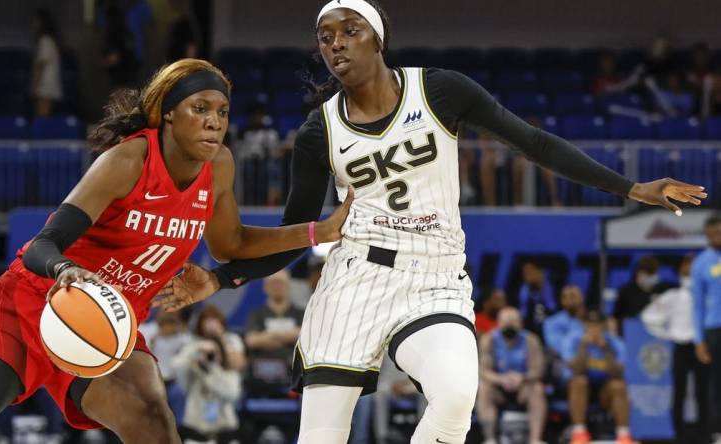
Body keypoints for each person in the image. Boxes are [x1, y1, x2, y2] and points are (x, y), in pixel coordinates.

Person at [154, 2, 707, 442]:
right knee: (321, 437)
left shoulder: (440, 90)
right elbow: (301, 234)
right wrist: (221, 279)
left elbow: (534, 143)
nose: (336, 44)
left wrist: (631, 187)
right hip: (355, 280)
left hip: (435, 278)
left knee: (456, 397)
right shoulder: (317, 131)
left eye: (348, 31)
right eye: (325, 37)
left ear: (378, 38)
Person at [0, 58, 352, 443]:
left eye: (222, 112)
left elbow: (233, 246)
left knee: (153, 418)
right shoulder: (129, 160)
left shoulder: (219, 165)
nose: (214, 122)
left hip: (104, 323)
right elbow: (42, 245)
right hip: (31, 306)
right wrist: (64, 269)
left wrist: (320, 231)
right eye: (200, 108)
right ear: (168, 112)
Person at [642, 255, 710, 444]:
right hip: (681, 346)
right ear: (681, 268)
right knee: (678, 392)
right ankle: (679, 435)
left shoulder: (709, 294)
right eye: (687, 265)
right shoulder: (672, 296)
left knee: (703, 392)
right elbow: (648, 317)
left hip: (702, 346)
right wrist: (668, 335)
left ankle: (705, 435)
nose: (690, 268)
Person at [173, 307, 243, 443]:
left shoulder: (229, 365)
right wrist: (196, 355)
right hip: (195, 428)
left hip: (225, 431)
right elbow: (178, 367)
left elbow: (232, 393)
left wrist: (210, 371)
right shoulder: (194, 346)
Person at [477, 307, 546, 444]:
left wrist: (522, 377)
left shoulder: (530, 340)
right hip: (498, 387)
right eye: (505, 322)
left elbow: (538, 370)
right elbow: (483, 371)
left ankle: (535, 439)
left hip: (523, 387)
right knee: (484, 388)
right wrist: (501, 379)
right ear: (498, 323)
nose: (509, 325)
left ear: (520, 323)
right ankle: (489, 439)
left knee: (537, 389)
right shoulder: (489, 340)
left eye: (513, 322)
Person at [562, 309, 632, 444]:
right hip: (579, 390)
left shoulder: (613, 342)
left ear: (603, 325)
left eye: (597, 324)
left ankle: (624, 435)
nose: (593, 327)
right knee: (579, 381)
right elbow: (576, 369)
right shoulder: (572, 339)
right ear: (584, 324)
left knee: (619, 385)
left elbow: (618, 373)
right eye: (590, 323)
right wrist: (583, 346)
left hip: (604, 391)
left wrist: (605, 348)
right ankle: (579, 433)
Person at [244, 269, 304, 397]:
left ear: (289, 286)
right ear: (266, 288)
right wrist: (289, 336)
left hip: (294, 370)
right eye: (274, 283)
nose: (278, 287)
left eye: (281, 283)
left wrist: (269, 335)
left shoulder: (301, 313)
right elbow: (252, 341)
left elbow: (304, 336)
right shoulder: (257, 314)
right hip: (261, 373)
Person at [692, 213, 721, 444]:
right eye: (712, 233)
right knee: (717, 383)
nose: (717, 237)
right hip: (715, 329)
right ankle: (718, 433)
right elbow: (698, 305)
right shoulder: (701, 263)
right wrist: (699, 340)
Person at [612, 255, 671, 335]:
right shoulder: (626, 291)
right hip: (632, 334)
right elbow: (616, 316)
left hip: (657, 334)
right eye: (648, 273)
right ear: (639, 273)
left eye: (653, 273)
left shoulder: (663, 290)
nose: (651, 277)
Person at [31, 8, 64, 117]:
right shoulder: (52, 40)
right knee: (47, 114)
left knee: (43, 116)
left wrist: (35, 84)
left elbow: (41, 64)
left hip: (45, 83)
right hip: (52, 82)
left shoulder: (45, 40)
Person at [518, 261, 558, 338]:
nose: (526, 276)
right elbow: (523, 316)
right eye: (525, 273)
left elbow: (554, 311)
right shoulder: (523, 293)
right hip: (530, 335)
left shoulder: (555, 290)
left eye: (530, 272)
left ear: (541, 272)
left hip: (552, 334)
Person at [543, 286, 586, 354]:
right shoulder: (551, 323)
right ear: (561, 301)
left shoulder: (592, 320)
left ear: (582, 298)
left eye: (572, 296)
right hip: (564, 362)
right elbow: (559, 349)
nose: (569, 300)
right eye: (564, 297)